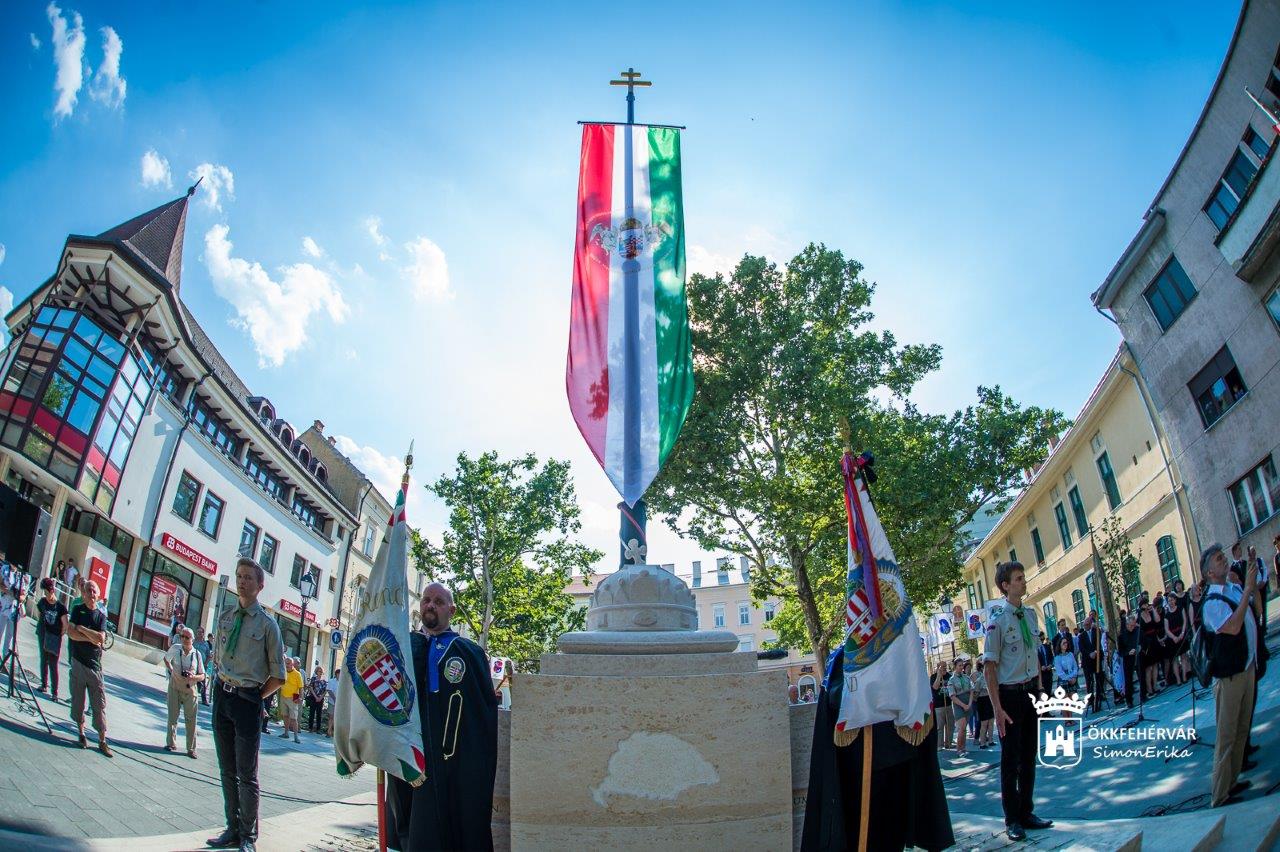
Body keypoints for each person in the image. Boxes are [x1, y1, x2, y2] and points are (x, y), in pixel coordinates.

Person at [386, 583, 498, 852]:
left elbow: (481, 716)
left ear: (452, 609)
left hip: (449, 763)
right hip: (407, 753)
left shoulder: (468, 653)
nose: (430, 605)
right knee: (405, 821)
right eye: (426, 600)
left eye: (438, 601)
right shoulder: (402, 646)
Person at [207, 558, 287, 852]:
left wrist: (255, 696)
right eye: (239, 576)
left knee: (246, 773)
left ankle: (248, 836)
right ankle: (231, 826)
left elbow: (279, 675)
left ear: (260, 585)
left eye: (249, 578)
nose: (242, 582)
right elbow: (219, 657)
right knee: (226, 768)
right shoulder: (226, 616)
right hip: (222, 695)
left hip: (247, 700)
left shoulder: (268, 626)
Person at [984, 561, 1053, 843]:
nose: (1024, 582)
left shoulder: (1031, 615)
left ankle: (1026, 812)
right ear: (1005, 585)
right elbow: (990, 667)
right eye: (1018, 579)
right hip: (1009, 696)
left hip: (1029, 693)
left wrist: (1039, 689)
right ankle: (1012, 818)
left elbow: (1034, 652)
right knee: (1010, 760)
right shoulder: (997, 621)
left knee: (1029, 756)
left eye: (1023, 577)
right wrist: (997, 708)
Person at [1200, 544, 1259, 807]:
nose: (1225, 561)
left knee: (1241, 729)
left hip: (1245, 668)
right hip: (1229, 677)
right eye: (1219, 559)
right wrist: (1246, 587)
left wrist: (1250, 582)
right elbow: (1233, 627)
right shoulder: (1211, 602)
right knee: (1226, 736)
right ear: (1210, 572)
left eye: (1224, 557)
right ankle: (1219, 795)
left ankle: (1233, 781)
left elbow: (1252, 608)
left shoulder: (1232, 588)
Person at [64, 578, 111, 757]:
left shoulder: (101, 616)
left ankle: (102, 740)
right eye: (88, 591)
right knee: (78, 702)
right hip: (78, 662)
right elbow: (71, 633)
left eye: (94, 591)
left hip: (94, 666)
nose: (91, 594)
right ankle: (81, 734)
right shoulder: (77, 610)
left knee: (98, 705)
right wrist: (90, 637)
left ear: (98, 595)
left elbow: (101, 638)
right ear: (83, 594)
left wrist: (82, 629)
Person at [165, 626, 205, 758]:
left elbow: (203, 675)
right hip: (175, 686)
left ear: (192, 640)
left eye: (187, 637)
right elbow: (166, 659)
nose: (184, 639)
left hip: (190, 689)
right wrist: (172, 670)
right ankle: (171, 743)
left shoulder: (197, 655)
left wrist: (193, 677)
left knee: (191, 720)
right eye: (182, 636)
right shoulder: (175, 648)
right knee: (172, 716)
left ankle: (191, 749)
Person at [36, 578, 68, 701]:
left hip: (54, 637)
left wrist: (58, 635)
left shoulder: (60, 607)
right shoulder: (43, 602)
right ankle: (44, 684)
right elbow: (40, 615)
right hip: (43, 633)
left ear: (51, 590)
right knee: (43, 659)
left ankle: (55, 692)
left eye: (46, 591)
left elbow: (65, 625)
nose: (45, 594)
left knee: (53, 664)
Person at [947, 657, 973, 757]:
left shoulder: (966, 677)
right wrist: (963, 705)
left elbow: (971, 690)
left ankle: (964, 748)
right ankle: (959, 749)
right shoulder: (951, 680)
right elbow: (952, 696)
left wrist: (969, 704)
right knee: (961, 728)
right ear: (955, 667)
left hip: (967, 703)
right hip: (958, 704)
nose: (962, 668)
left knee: (964, 728)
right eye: (959, 665)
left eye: (962, 665)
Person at [1078, 612, 1103, 713]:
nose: (1086, 626)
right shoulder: (1081, 636)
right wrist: (1089, 654)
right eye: (1084, 625)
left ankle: (1099, 698)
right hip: (1087, 662)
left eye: (1088, 624)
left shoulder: (1096, 631)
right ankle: (1091, 701)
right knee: (1089, 682)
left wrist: (1095, 652)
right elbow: (1082, 648)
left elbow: (1099, 643)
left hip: (1096, 659)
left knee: (1099, 678)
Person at [1164, 593, 1189, 686]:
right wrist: (1174, 637)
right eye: (1169, 601)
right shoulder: (1166, 615)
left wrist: (1182, 633)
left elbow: (1185, 621)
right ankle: (1178, 679)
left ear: (1175, 600)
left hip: (1181, 634)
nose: (1170, 602)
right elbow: (1166, 629)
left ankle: (1184, 676)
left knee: (1183, 656)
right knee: (1174, 659)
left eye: (1172, 600)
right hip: (1172, 638)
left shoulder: (1180, 609)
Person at [278, 657, 304, 743]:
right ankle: (286, 733)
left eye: (288, 663)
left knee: (294, 718)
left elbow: (301, 688)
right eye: (285, 663)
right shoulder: (283, 672)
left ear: (292, 664)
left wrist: (300, 698)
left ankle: (296, 737)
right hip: (283, 695)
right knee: (285, 715)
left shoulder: (297, 674)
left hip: (294, 696)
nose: (287, 665)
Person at [1117, 614, 1140, 708]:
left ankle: (1144, 694)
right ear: (1127, 625)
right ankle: (1129, 700)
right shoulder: (1122, 636)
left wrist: (1138, 648)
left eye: (1134, 625)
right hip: (1128, 658)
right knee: (1128, 679)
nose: (1132, 627)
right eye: (1131, 626)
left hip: (1137, 656)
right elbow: (1120, 651)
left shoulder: (1137, 631)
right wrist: (1128, 652)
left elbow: (1142, 642)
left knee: (1141, 674)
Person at [931, 662, 954, 749]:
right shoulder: (933, 677)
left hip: (948, 704)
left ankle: (948, 743)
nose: (944, 668)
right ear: (938, 667)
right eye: (942, 667)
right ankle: (939, 745)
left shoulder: (949, 676)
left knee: (950, 725)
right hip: (938, 706)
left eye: (945, 666)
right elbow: (935, 687)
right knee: (939, 726)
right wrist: (939, 676)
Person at [974, 660, 995, 748]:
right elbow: (976, 694)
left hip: (990, 700)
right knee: (984, 723)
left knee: (991, 721)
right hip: (982, 701)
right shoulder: (979, 680)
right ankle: (982, 743)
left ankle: (990, 740)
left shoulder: (992, 677)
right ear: (982, 668)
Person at [194, 627, 214, 706]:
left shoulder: (206, 644)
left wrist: (205, 664)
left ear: (203, 633)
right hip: (193, 664)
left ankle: (204, 700)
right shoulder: (193, 641)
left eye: (201, 632)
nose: (199, 633)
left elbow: (209, 656)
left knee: (202, 683)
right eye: (198, 632)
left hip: (201, 665)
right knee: (190, 681)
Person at [305, 665, 327, 734]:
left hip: (320, 699)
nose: (320, 673)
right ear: (316, 671)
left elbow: (325, 690)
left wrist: (320, 698)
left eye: (321, 672)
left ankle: (318, 729)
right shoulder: (313, 679)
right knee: (312, 712)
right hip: (313, 697)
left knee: (319, 713)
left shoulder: (324, 680)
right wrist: (316, 697)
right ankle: (310, 728)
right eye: (319, 671)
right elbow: (311, 688)